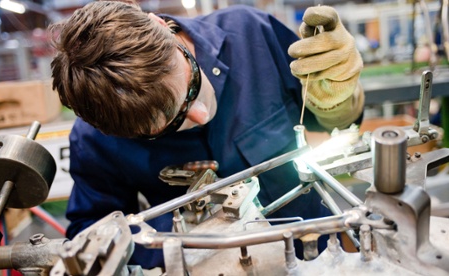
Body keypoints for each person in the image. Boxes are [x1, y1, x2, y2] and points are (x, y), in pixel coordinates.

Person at [49, 0, 364, 269]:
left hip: (316, 256)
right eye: (172, 124)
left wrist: (339, 103)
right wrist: (182, 239)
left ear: (161, 25)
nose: (200, 115)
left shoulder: (252, 34)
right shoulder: (96, 139)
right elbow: (90, 234)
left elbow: (331, 128)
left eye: (192, 88)